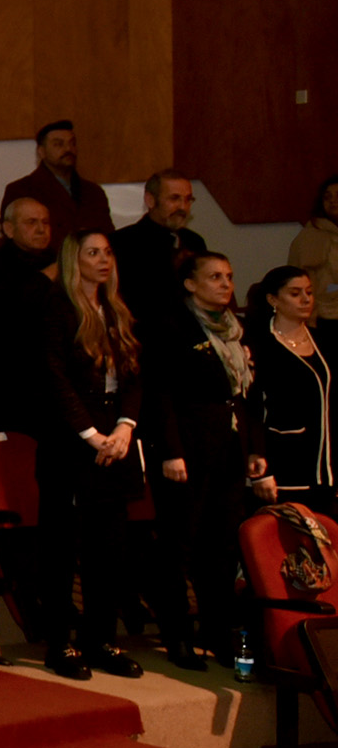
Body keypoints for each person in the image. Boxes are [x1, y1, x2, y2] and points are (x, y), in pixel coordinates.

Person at [32, 231, 146, 679]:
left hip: (115, 438)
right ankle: (59, 642)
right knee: (61, 547)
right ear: (72, 259)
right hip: (70, 441)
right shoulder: (56, 308)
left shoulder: (116, 309)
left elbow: (134, 375)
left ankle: (101, 640)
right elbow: (53, 378)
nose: (103, 260)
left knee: (110, 548)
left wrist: (125, 427)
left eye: (107, 252)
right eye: (92, 253)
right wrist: (91, 435)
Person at [147, 253, 268, 665]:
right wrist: (171, 452)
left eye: (229, 276)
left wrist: (255, 447)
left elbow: (248, 396)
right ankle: (177, 634)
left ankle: (217, 632)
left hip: (229, 449)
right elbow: (160, 395)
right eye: (214, 277)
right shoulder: (171, 326)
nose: (225, 284)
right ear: (190, 284)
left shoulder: (237, 328)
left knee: (222, 546)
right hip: (187, 450)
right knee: (179, 545)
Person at [0, 195, 58, 432]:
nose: (41, 229)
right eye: (31, 222)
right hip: (12, 380)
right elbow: (5, 317)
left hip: (57, 380)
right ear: (9, 229)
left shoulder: (62, 262)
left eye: (45, 222)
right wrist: (45, 278)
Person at [251, 265, 334, 515]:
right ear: (273, 300)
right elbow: (253, 408)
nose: (306, 299)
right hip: (285, 461)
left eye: (309, 292)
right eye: (295, 293)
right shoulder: (259, 344)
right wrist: (260, 469)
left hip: (326, 465)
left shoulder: (325, 341)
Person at [112, 169, 208, 341]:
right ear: (150, 200)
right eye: (174, 198)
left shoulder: (194, 242)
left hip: (194, 337)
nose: (183, 207)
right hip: (146, 340)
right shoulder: (124, 243)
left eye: (188, 200)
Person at [1, 120, 111, 243]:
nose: (68, 149)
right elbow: (14, 242)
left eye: (72, 143)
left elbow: (108, 237)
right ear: (41, 152)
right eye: (59, 144)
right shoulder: (22, 190)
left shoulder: (94, 192)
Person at [288, 176, 338, 319]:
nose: (333, 201)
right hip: (324, 315)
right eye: (327, 197)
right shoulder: (312, 236)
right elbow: (319, 286)